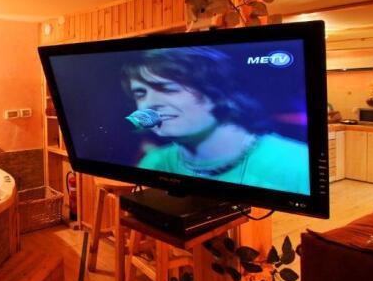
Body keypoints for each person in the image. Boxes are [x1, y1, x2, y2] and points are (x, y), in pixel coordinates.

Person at [121, 47, 310, 195]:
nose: (150, 104)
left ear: (217, 93)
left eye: (168, 89)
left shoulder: (297, 163)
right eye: (140, 94)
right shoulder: (155, 162)